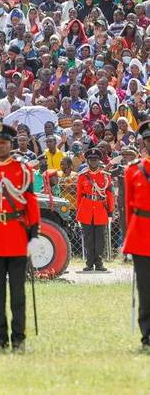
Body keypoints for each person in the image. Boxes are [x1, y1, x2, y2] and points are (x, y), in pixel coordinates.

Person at [0, 122, 40, 350]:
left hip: (16, 236)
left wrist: (33, 236)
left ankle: (19, 338)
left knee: (18, 292)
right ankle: (0, 338)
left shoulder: (22, 170)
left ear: (10, 144)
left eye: (3, 142)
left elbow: (31, 204)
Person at [122, 120, 150, 351]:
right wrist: (129, 241)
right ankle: (147, 336)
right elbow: (129, 210)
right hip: (142, 236)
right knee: (146, 289)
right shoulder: (133, 170)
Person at [76, 148, 114, 272]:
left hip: (100, 210)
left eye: (95, 159)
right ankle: (89, 263)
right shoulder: (82, 176)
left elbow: (109, 194)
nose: (93, 162)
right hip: (86, 209)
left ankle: (99, 263)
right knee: (88, 238)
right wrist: (78, 211)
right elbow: (79, 196)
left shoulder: (105, 176)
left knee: (100, 238)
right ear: (87, 161)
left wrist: (111, 211)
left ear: (99, 161)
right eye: (91, 159)